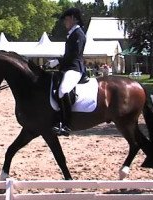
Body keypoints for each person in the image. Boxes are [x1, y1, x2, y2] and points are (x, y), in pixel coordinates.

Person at [46, 8, 87, 136]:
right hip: (67, 68)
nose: (65, 22)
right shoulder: (72, 34)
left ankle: (66, 125)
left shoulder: (79, 34)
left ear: (74, 18)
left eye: (66, 19)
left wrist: (57, 61)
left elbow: (74, 55)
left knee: (63, 90)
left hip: (75, 68)